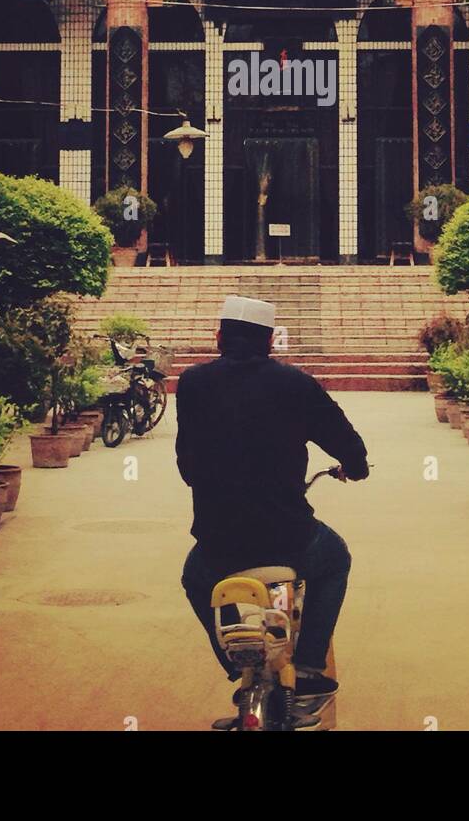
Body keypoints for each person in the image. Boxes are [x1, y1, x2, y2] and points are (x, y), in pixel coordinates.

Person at [176, 294, 370, 707]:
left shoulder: (192, 383)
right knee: (335, 561)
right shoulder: (294, 383)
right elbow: (344, 438)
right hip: (290, 537)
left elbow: (187, 463)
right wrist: (356, 466)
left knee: (195, 579)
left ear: (219, 337)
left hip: (218, 541)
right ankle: (309, 667)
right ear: (270, 341)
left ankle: (235, 659)